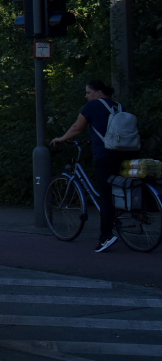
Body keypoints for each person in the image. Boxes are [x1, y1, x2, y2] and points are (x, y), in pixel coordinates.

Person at [52, 80, 142, 252]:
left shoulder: (92, 107)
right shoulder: (119, 107)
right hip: (127, 155)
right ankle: (132, 219)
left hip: (106, 156)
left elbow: (77, 127)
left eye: (88, 93)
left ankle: (105, 237)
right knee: (122, 189)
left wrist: (62, 139)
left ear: (99, 92)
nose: (86, 96)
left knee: (106, 196)